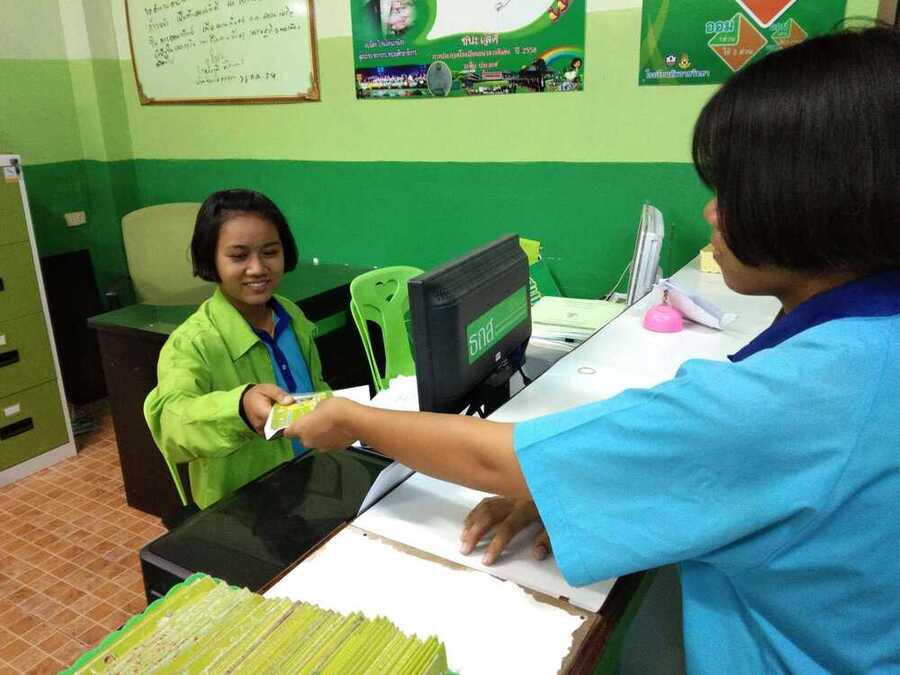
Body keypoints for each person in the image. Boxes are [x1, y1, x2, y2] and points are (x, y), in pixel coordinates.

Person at [286, 27, 900, 673]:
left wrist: (351, 418)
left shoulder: (790, 398)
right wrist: (590, 486)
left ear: (813, 199)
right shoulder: (867, 347)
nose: (712, 214)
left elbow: (492, 458)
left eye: (730, 191)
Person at [144, 189, 329, 512]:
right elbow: (172, 426)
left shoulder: (291, 314)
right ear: (211, 260)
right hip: (243, 507)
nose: (257, 268)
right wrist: (239, 408)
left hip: (309, 480)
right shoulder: (192, 342)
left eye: (270, 252)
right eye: (239, 256)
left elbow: (314, 386)